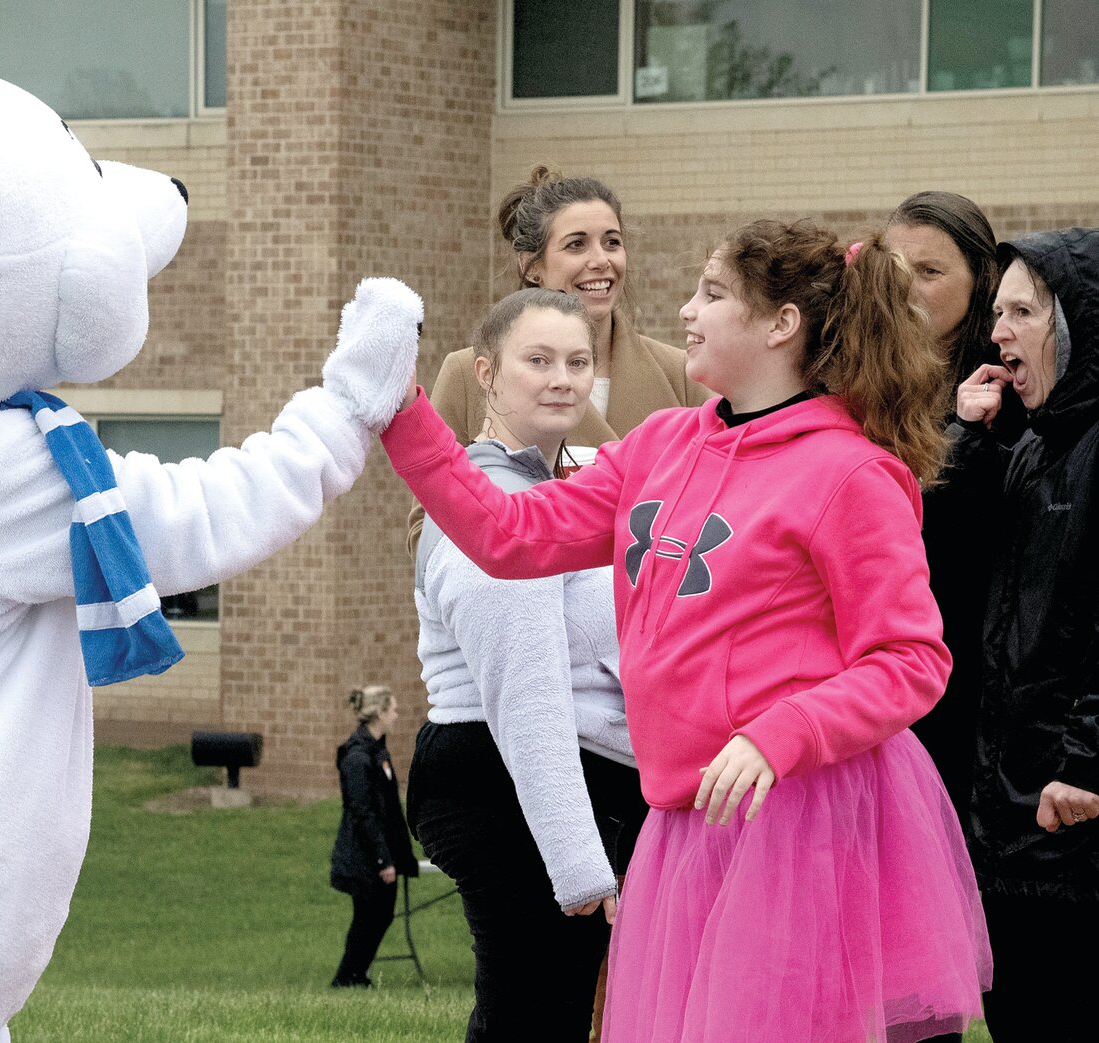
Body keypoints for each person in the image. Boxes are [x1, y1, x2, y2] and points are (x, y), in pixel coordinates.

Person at [379, 220, 991, 1042]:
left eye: (711, 293)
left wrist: (783, 733)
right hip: (687, 818)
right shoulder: (662, 443)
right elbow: (507, 534)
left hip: (807, 817)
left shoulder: (851, 473)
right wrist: (400, 408)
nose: (684, 310)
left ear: (781, 325)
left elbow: (910, 659)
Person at [409, 288, 645, 1042]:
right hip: (502, 778)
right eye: (537, 360)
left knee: (558, 1012)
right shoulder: (490, 500)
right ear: (485, 372)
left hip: (549, 782)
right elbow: (528, 693)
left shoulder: (552, 490)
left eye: (578, 361)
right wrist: (577, 863)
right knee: (532, 1017)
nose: (561, 378)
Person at [946, 227, 1099, 1043]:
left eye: (1020, 312)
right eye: (996, 312)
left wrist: (1087, 759)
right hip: (1009, 825)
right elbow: (944, 568)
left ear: (1075, 321)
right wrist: (972, 439)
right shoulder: (1030, 443)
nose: (997, 332)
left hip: (1071, 818)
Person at [409, 167, 709, 553]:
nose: (601, 260)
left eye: (612, 242)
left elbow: (716, 509)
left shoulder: (679, 374)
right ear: (531, 266)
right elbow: (428, 526)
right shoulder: (471, 372)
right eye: (576, 245)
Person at [885, 191, 1009, 832]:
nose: (908, 288)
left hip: (966, 679)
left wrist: (962, 434)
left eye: (930, 272)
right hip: (882, 676)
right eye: (896, 270)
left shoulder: (1002, 391)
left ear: (979, 281)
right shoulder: (864, 382)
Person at [329, 685, 417, 988]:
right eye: (392, 709)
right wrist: (383, 860)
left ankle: (355, 974)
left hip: (380, 852)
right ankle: (347, 976)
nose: (396, 715)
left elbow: (388, 809)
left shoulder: (378, 751)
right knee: (369, 917)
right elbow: (363, 812)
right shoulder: (357, 757)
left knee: (379, 916)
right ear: (379, 712)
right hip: (363, 855)